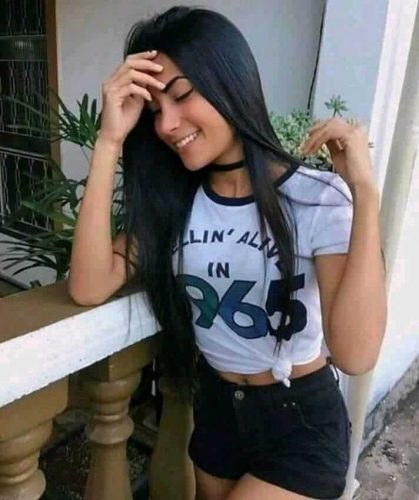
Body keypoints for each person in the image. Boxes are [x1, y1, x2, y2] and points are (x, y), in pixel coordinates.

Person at [68, 6, 387, 500]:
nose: (167, 124)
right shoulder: (176, 206)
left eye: (181, 96)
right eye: (155, 112)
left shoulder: (314, 199)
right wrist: (109, 140)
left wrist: (364, 193)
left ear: (230, 82)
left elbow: (356, 353)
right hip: (216, 410)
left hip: (298, 422)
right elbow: (89, 285)